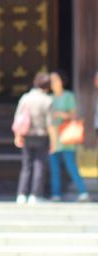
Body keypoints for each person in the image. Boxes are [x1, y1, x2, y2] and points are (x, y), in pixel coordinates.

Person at [12, 72, 54, 204]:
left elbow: (18, 117)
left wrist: (17, 135)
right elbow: (50, 124)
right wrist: (54, 141)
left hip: (26, 135)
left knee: (26, 165)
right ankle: (35, 195)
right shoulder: (48, 100)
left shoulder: (25, 98)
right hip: (41, 135)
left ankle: (21, 194)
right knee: (39, 165)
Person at [49, 69, 90, 202]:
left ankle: (83, 192)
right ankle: (56, 194)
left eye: (56, 79)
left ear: (62, 81)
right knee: (54, 167)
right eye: (51, 80)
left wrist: (61, 114)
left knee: (70, 165)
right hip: (53, 137)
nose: (53, 83)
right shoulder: (49, 98)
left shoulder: (68, 96)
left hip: (66, 136)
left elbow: (74, 115)